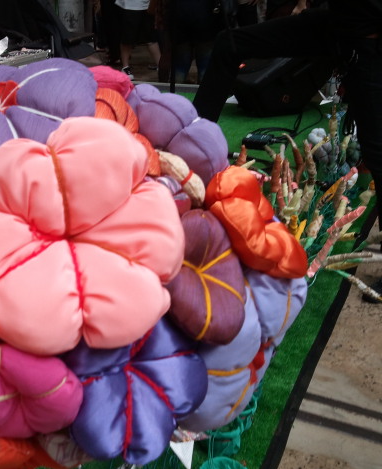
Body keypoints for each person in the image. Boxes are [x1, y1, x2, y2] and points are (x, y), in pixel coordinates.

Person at [191, 0, 382, 300]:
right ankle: (191, 148)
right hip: (340, 26)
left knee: (377, 151)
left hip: (367, 41)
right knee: (230, 43)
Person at [114, 0, 162, 79]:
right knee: (127, 37)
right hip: (130, 6)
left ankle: (161, 66)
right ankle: (125, 67)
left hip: (147, 5)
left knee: (151, 38)